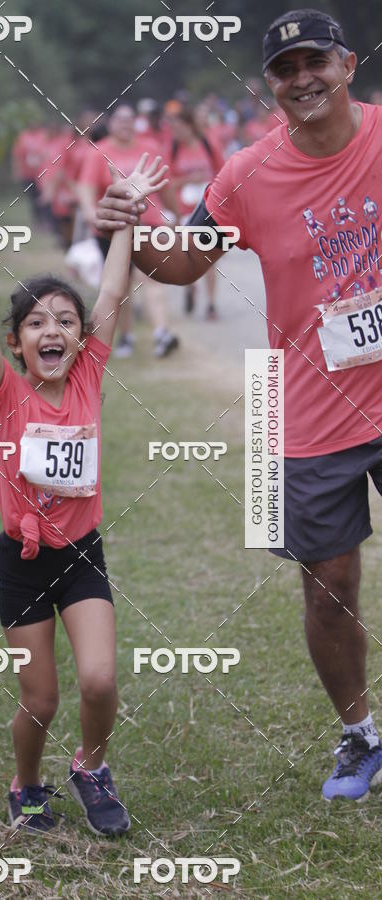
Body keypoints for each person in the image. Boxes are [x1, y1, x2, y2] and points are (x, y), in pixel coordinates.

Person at [96, 9, 382, 802]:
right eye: (286, 69)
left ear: (348, 64)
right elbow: (185, 262)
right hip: (317, 413)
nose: (303, 78)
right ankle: (359, 737)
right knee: (329, 584)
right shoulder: (249, 174)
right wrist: (134, 224)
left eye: (315, 61)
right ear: (270, 87)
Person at [0, 156, 168, 833]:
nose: (51, 331)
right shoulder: (7, 394)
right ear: (18, 344)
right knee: (42, 699)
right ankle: (25, 783)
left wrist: (128, 220)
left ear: (83, 339)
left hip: (82, 554)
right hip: (22, 563)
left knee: (101, 682)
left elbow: (113, 291)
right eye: (35, 324)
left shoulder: (86, 380)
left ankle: (92, 767)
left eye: (65, 322)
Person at [79, 104, 180, 359]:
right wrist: (93, 215)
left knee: (153, 278)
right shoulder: (98, 153)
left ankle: (161, 333)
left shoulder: (152, 148)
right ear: (111, 124)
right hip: (114, 227)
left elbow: (165, 185)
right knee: (120, 286)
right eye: (119, 120)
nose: (125, 124)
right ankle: (126, 336)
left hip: (150, 223)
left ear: (136, 123)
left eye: (129, 120)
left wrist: (175, 214)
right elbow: (85, 190)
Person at [167, 107, 225, 319]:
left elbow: (225, 173)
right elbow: (167, 182)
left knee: (210, 259)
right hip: (183, 211)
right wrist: (187, 180)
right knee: (186, 257)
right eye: (173, 128)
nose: (175, 132)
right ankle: (190, 287)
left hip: (208, 208)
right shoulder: (172, 149)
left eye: (179, 127)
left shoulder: (208, 145)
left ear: (190, 126)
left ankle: (211, 304)